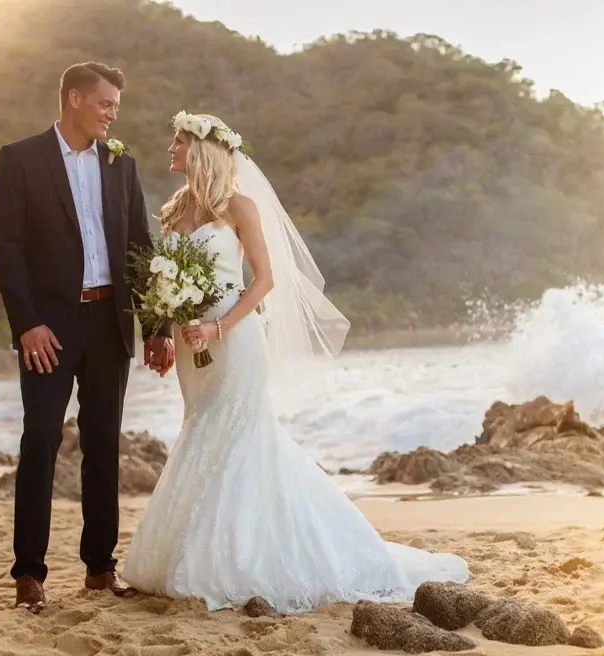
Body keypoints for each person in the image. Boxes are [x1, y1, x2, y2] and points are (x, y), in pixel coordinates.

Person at [122, 112, 470, 613]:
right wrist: (174, 322)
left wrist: (218, 327)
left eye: (177, 141)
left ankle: (238, 557)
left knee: (239, 433)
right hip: (190, 341)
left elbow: (263, 280)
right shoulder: (175, 209)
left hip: (234, 338)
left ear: (201, 151)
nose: (170, 148)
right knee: (200, 428)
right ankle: (189, 548)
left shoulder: (238, 207)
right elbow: (164, 280)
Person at [0, 62, 175, 614]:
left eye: (116, 105)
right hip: (48, 327)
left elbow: (139, 247)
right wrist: (27, 322)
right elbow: (7, 248)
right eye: (105, 103)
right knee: (41, 441)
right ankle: (29, 573)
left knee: (103, 447)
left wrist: (156, 326)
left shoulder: (122, 164)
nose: (113, 113)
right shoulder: (20, 158)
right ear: (74, 99)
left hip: (107, 324)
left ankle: (99, 567)